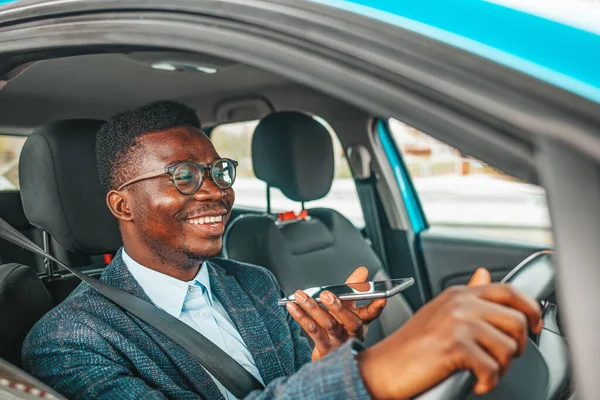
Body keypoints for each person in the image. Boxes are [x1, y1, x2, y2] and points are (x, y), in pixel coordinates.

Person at [22, 101, 542, 399]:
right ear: (122, 205)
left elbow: (291, 387)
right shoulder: (67, 341)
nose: (214, 191)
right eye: (182, 176)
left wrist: (329, 355)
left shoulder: (252, 281)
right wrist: (373, 371)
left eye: (217, 170)